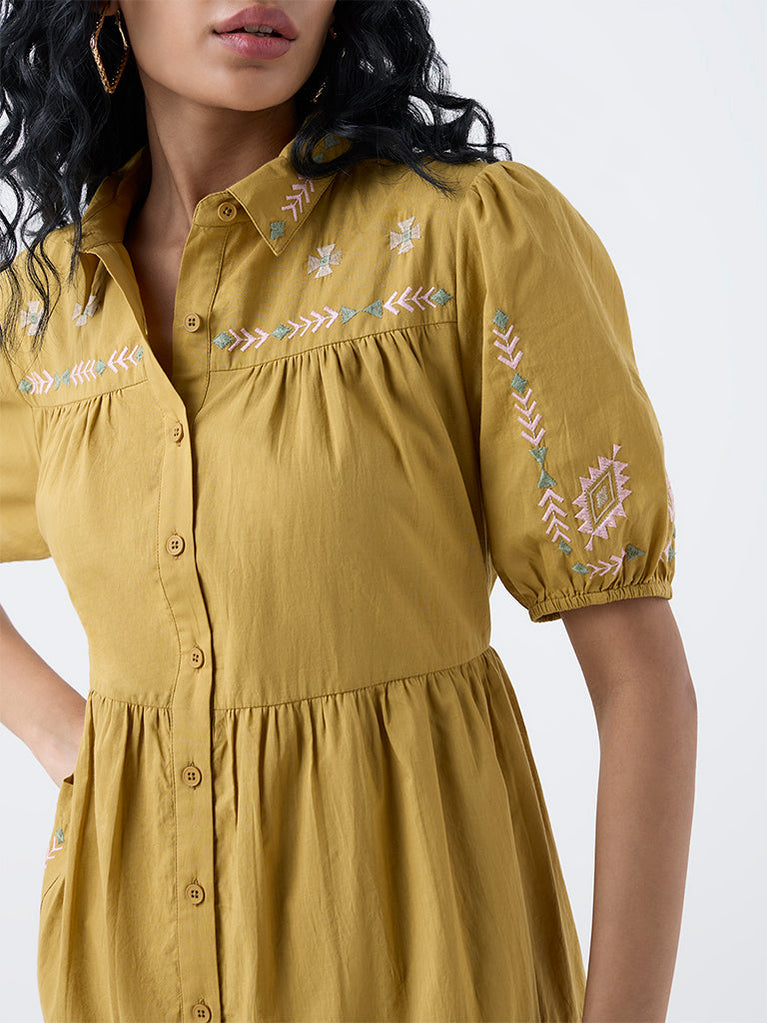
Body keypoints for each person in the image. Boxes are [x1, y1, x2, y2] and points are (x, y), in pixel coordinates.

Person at [0, 1, 697, 1021]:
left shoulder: (464, 242)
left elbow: (641, 683)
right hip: (130, 962)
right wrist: (63, 735)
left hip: (418, 958)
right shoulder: (45, 314)